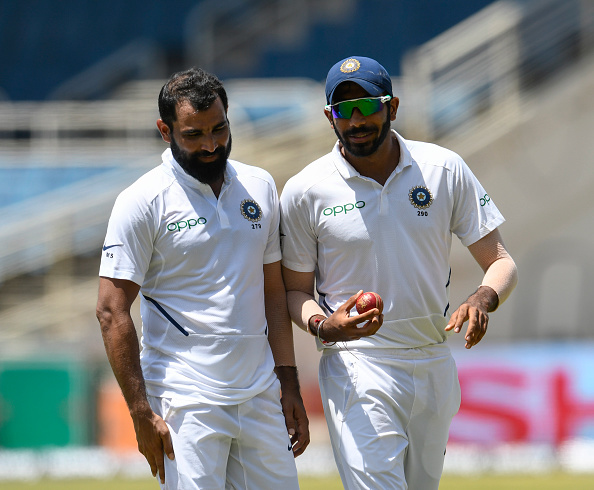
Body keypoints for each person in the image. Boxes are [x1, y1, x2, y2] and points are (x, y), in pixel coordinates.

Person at [280, 56, 518, 490]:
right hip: (357, 363)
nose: (355, 120)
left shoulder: (443, 169)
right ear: (329, 117)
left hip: (432, 359)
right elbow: (293, 291)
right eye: (342, 110)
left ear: (392, 107)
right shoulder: (305, 189)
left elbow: (501, 262)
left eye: (367, 106)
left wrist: (482, 298)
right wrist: (322, 324)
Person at [96, 67, 309, 489]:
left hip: (259, 391)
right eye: (194, 135)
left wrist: (288, 382)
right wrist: (140, 412)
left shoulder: (260, 185)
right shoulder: (142, 201)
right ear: (165, 130)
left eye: (220, 129)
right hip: (184, 400)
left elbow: (272, 292)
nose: (211, 145)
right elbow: (110, 309)